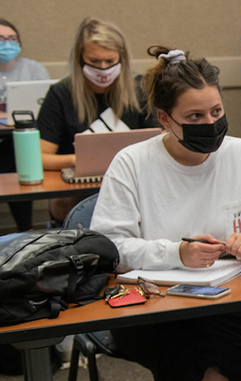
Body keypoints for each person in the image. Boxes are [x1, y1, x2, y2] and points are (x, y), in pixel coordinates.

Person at [91, 46, 241, 381]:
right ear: (165, 119)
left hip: (232, 300)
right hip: (157, 307)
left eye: (216, 112)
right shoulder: (132, 163)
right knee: (207, 374)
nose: (211, 123)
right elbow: (109, 246)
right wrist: (176, 253)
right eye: (196, 117)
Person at [36, 17, 155, 223]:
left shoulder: (139, 90)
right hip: (77, 191)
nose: (103, 69)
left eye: (110, 62)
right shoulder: (61, 94)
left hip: (133, 183)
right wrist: (79, 160)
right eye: (94, 61)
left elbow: (160, 140)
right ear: (80, 60)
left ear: (122, 59)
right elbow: (39, 156)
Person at [0, 18, 50, 232]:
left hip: (25, 136)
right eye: (1, 39)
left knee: (19, 152)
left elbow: (47, 103)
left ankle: (25, 230)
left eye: (12, 38)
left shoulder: (33, 68)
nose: (8, 43)